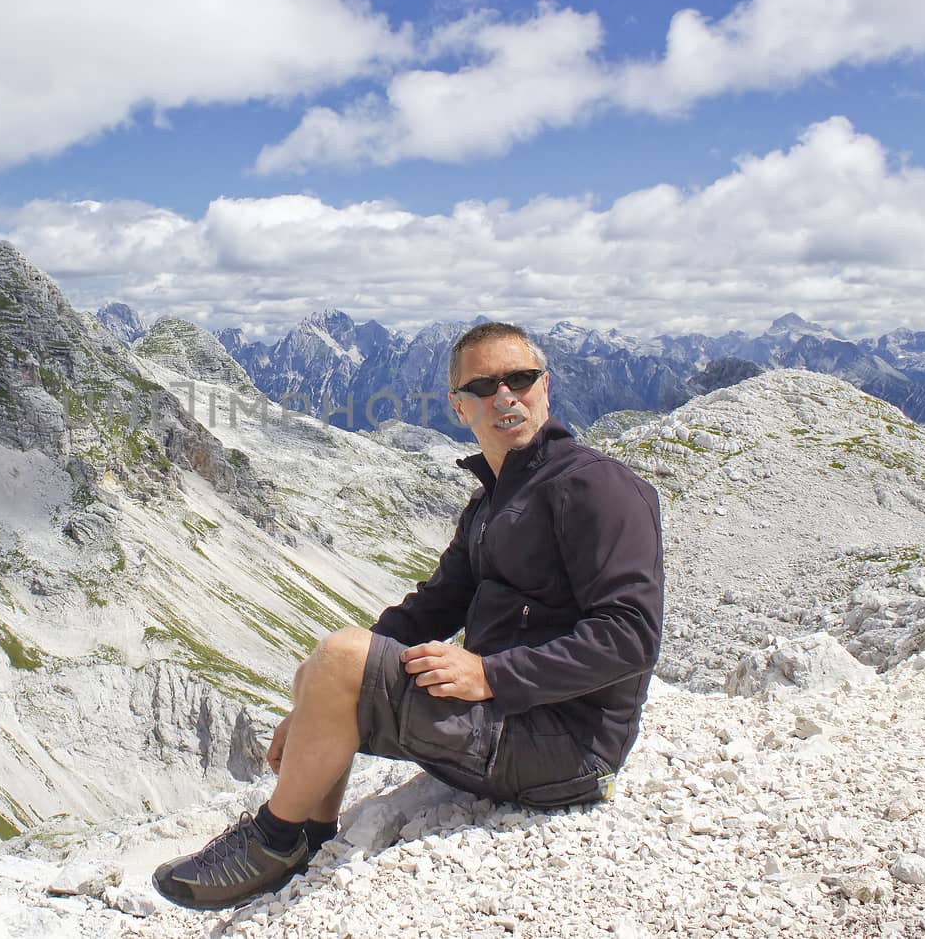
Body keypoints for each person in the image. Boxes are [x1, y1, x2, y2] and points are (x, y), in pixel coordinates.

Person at [152, 322, 665, 911]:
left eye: (520, 380)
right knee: (326, 663)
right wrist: (318, 696)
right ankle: (312, 838)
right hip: (516, 723)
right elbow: (438, 602)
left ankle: (272, 843)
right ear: (459, 406)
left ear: (544, 388)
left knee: (343, 661)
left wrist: (493, 676)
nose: (505, 396)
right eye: (484, 385)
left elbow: (630, 636)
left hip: (567, 746)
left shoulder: (596, 485)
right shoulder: (493, 499)